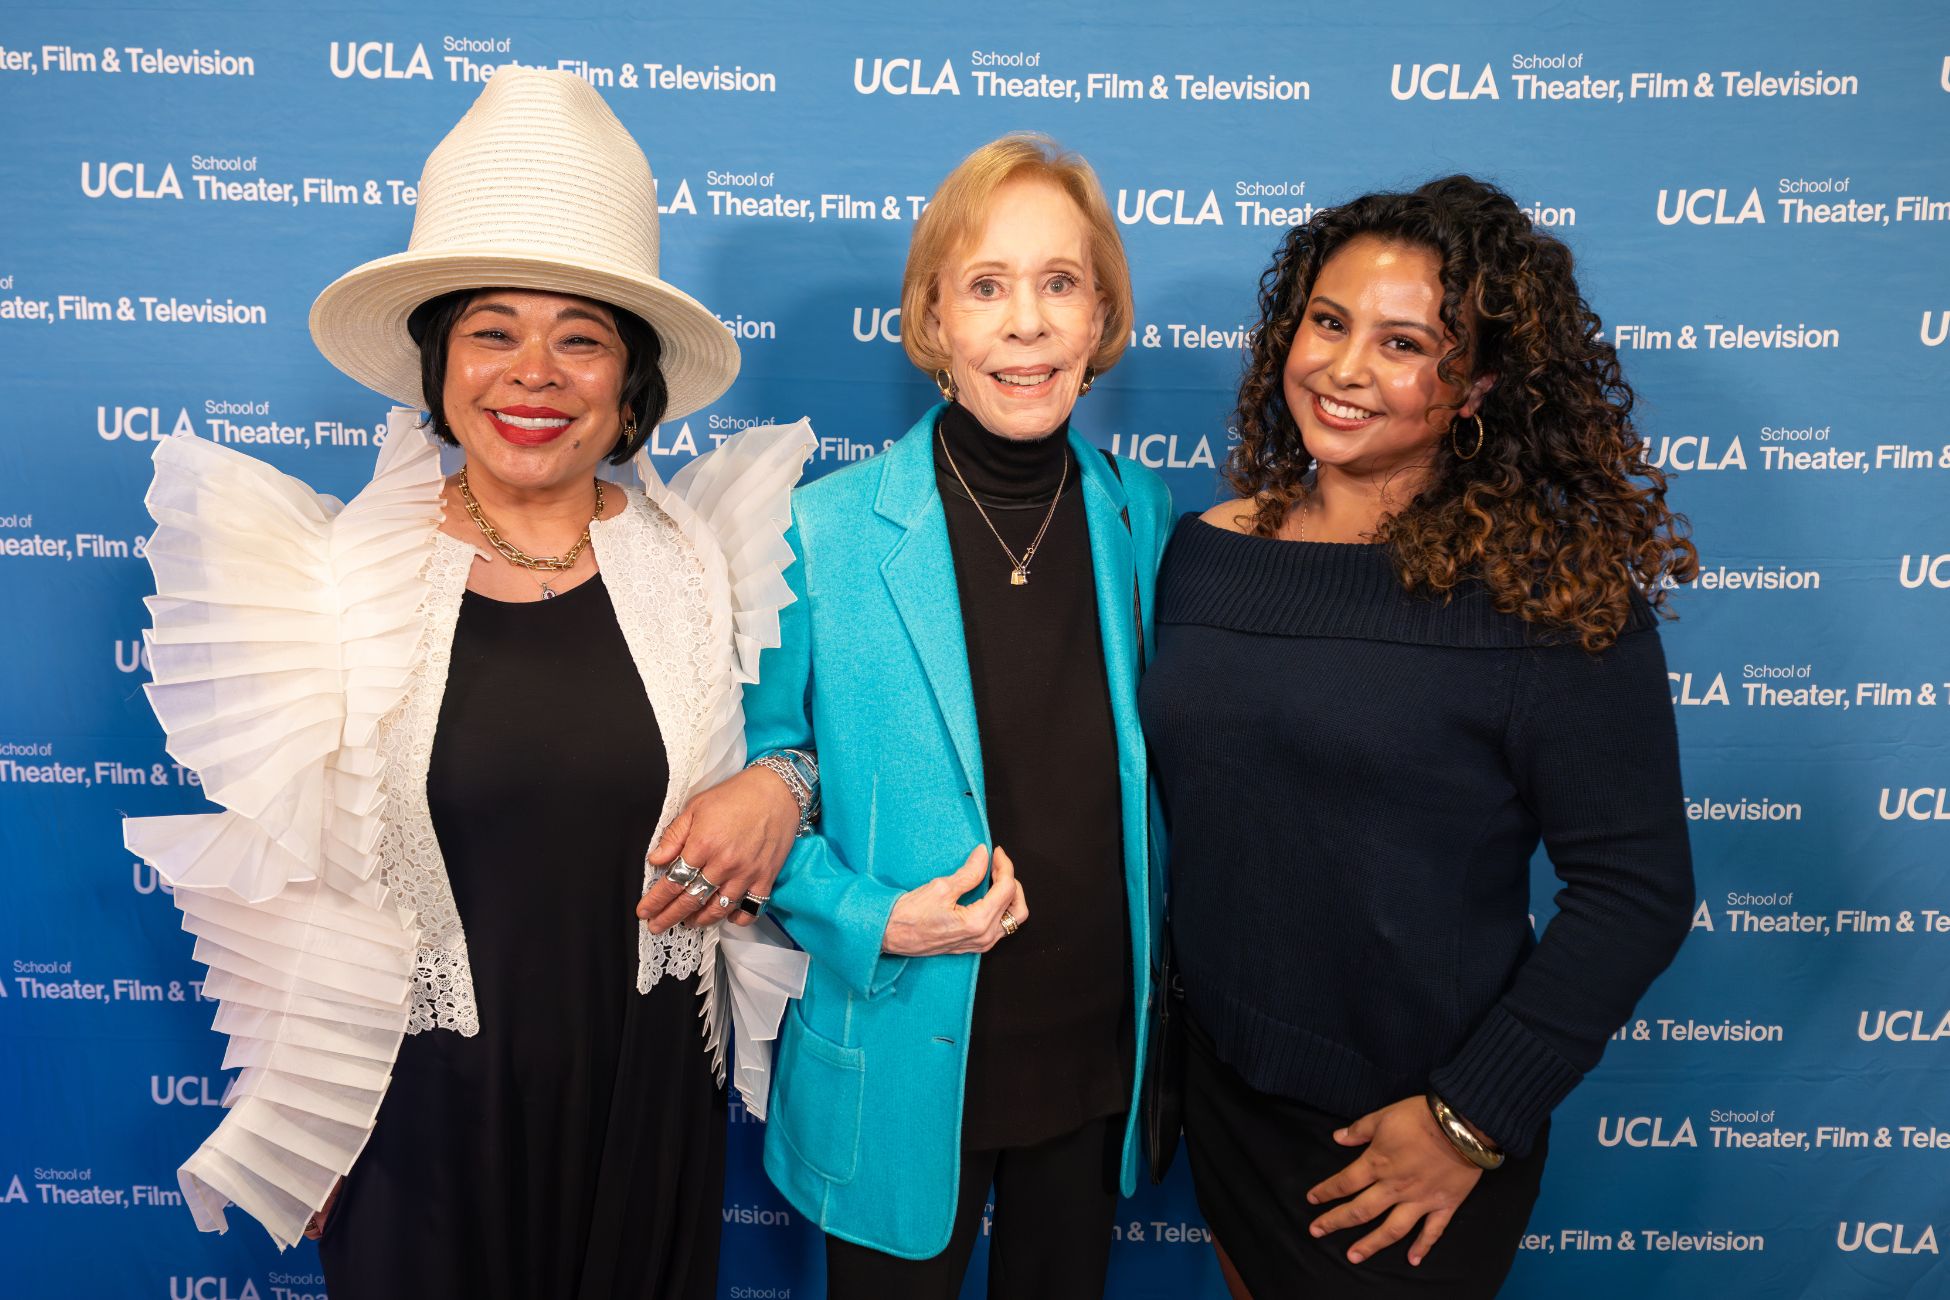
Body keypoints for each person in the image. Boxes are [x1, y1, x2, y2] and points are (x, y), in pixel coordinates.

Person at [123, 68, 814, 1299]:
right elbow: (292, 883)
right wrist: (302, 1122)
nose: (533, 373)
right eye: (493, 330)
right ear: (439, 362)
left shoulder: (708, 562)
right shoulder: (337, 579)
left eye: (581, 337)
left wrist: (781, 779)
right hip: (418, 1132)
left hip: (644, 1102)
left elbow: (795, 750)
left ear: (631, 380)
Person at [1138, 175, 1699, 1298]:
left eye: (1404, 343)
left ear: (1478, 383)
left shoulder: (1543, 599)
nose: (1343, 369)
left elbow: (1637, 888)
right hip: (1228, 1088)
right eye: (1329, 322)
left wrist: (1469, 1117)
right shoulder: (1206, 549)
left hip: (1409, 1129)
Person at [742, 135, 1173, 1299]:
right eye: (987, 286)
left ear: (1099, 317)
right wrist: (875, 916)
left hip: (1091, 1054)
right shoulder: (819, 533)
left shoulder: (1147, 518)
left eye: (1059, 283)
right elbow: (760, 780)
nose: (1025, 323)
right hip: (893, 1046)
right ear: (934, 318)